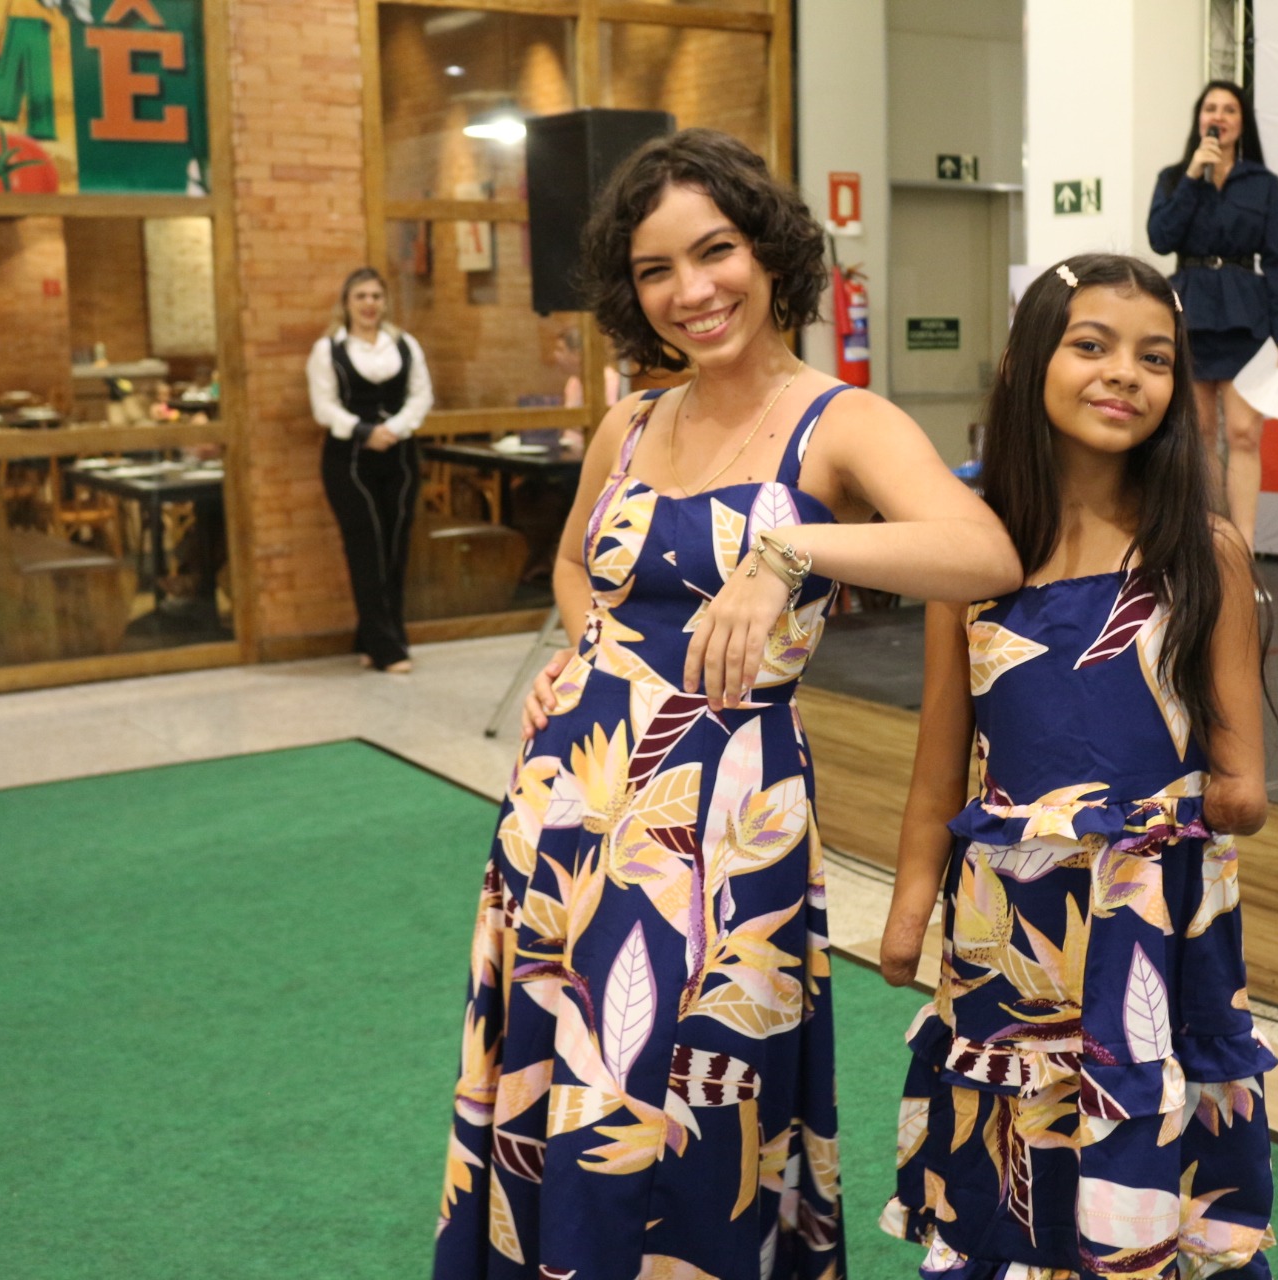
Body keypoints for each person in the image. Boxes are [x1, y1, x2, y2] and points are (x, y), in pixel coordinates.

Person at [432, 128, 1023, 1280]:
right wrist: (586, 644)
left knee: (697, 1119)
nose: (692, 290)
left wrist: (791, 549)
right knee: (557, 1092)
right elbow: (574, 561)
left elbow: (984, 551)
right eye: (656, 270)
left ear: (769, 251)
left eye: (715, 252)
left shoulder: (839, 422)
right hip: (564, 814)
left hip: (725, 825)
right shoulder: (631, 420)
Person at [878, 255, 1277, 1278]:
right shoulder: (971, 561)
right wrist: (911, 901)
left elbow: (1243, 775)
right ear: (1027, 365)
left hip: (1150, 921)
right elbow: (939, 762)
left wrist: (1213, 799)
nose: (1124, 374)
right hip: (1004, 923)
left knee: (1141, 1139)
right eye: (1091, 345)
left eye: (1155, 358)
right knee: (1014, 1156)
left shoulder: (1207, 552)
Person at [1148, 79, 1278, 550]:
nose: (1219, 116)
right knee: (1200, 433)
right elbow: (1160, 239)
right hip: (1189, 311)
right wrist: (1194, 175)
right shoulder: (1174, 177)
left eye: (1229, 109)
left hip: (1244, 314)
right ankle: (1209, 542)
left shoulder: (1263, 184)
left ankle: (1242, 548)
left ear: (1241, 122)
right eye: (1211, 108)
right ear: (1199, 119)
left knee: (1244, 433)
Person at [305, 267, 434, 673]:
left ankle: (376, 636)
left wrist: (393, 429)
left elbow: (421, 396)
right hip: (350, 460)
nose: (369, 304)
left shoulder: (405, 344)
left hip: (399, 456)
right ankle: (387, 648)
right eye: (360, 296)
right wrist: (365, 432)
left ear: (384, 302)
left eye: (376, 296)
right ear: (346, 303)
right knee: (366, 548)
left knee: (395, 546)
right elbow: (324, 407)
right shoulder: (327, 349)